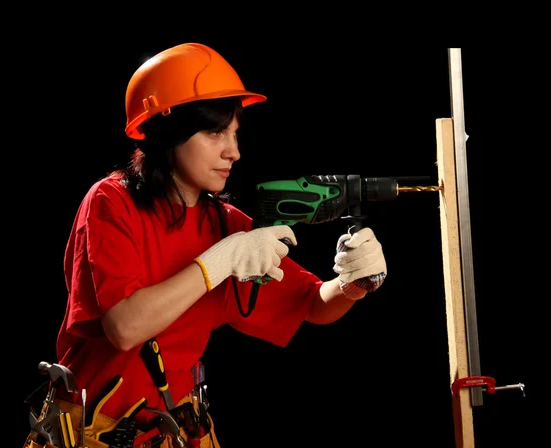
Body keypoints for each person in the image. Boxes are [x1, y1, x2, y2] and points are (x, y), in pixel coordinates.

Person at [23, 42, 387, 448]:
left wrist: (354, 282)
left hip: (175, 432)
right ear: (169, 132)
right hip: (92, 433)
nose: (233, 151)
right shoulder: (111, 203)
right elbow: (125, 328)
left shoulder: (226, 225)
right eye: (215, 132)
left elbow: (314, 304)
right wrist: (218, 262)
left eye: (234, 133)